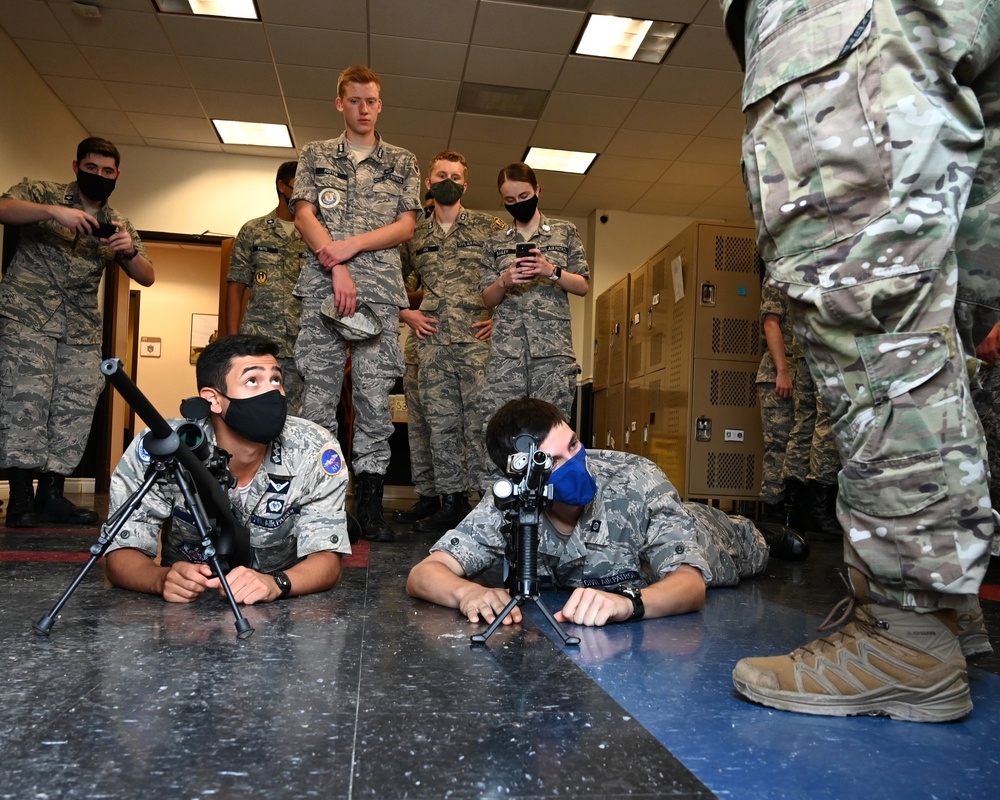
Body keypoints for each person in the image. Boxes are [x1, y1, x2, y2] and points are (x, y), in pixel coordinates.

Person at [721, 0, 999, 721]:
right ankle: (949, 604)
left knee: (863, 303)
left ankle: (908, 635)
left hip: (855, 21)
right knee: (953, 308)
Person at [406, 397, 807, 627]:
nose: (576, 463)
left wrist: (628, 604)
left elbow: (690, 584)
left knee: (741, 541)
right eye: (554, 462)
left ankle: (765, 532)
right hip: (645, 548)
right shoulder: (510, 501)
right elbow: (424, 573)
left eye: (574, 445)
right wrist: (467, 592)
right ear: (518, 474)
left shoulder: (636, 477)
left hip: (712, 538)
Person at [104, 335, 350, 604]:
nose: (272, 393)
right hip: (187, 609)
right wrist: (161, 579)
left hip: (278, 605)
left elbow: (327, 561)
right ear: (213, 400)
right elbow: (120, 553)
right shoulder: (163, 446)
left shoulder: (313, 448)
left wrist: (276, 583)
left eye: (276, 380)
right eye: (252, 381)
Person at [289, 65, 422, 543]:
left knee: (373, 403)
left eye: (372, 102)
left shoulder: (402, 161)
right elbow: (305, 213)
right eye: (355, 101)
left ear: (380, 105)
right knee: (318, 399)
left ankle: (369, 507)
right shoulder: (316, 155)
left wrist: (351, 246)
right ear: (339, 103)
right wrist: (337, 263)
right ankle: (319, 504)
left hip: (381, 293)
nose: (364, 110)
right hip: (325, 287)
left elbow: (406, 226)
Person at [0, 136, 155, 529]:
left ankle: (51, 495)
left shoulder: (119, 223)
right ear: (76, 167)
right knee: (25, 402)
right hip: (27, 317)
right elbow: (3, 209)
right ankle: (20, 498)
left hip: (81, 329)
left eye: (107, 171)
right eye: (92, 168)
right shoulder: (42, 194)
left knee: (75, 406)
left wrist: (129, 251)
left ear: (117, 175)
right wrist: (53, 213)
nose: (99, 176)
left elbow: (148, 276)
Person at [399, 150, 506, 533]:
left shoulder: (490, 228)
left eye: (456, 177)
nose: (449, 181)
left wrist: (502, 320)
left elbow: (513, 278)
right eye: (441, 175)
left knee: (481, 422)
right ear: (428, 183)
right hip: (431, 344)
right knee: (439, 425)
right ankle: (451, 501)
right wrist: (405, 313)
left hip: (476, 342)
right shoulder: (412, 232)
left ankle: (486, 500)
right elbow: (390, 282)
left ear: (465, 184)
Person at [479, 163, 590, 450]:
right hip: (508, 355)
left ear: (538, 190)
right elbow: (486, 299)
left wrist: (550, 270)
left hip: (552, 354)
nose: (518, 204)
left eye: (524, 196)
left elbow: (583, 285)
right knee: (500, 428)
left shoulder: (564, 232)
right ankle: (501, 494)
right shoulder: (493, 241)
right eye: (510, 201)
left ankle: (549, 494)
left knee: (552, 431)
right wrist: (504, 280)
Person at [226, 160, 307, 415]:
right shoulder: (254, 230)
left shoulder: (316, 234)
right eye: (299, 186)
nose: (305, 194)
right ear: (282, 187)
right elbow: (236, 286)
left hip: (302, 345)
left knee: (295, 419)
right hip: (259, 343)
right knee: (255, 414)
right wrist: (233, 341)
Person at [393, 230, 439, 525]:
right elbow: (397, 293)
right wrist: (433, 294)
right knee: (419, 427)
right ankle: (428, 497)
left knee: (455, 428)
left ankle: (456, 498)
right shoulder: (416, 246)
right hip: (418, 349)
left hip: (460, 348)